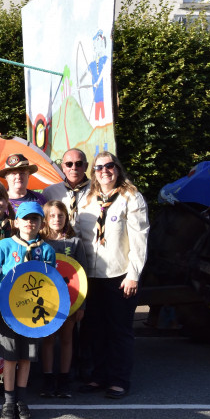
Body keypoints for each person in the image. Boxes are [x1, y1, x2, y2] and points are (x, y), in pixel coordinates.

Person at [0, 202, 56, 419]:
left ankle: (21, 399)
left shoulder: (46, 250)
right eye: (25, 218)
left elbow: (52, 283)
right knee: (9, 356)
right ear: (16, 222)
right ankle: (8, 401)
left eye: (35, 218)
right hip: (8, 309)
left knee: (26, 357)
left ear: (41, 223)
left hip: (33, 313)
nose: (30, 222)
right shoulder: (5, 246)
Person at [75, 152, 149, 400]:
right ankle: (98, 375)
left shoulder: (131, 197)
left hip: (120, 275)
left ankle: (119, 380)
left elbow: (140, 239)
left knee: (119, 330)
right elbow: (78, 235)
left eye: (109, 166)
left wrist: (133, 275)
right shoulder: (88, 198)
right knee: (94, 328)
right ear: (93, 172)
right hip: (92, 276)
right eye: (98, 168)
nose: (104, 171)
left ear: (117, 168)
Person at [38, 200, 83, 398]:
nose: (57, 219)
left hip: (71, 300)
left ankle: (64, 380)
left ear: (67, 218)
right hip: (46, 301)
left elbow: (83, 275)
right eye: (52, 215)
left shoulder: (75, 242)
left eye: (61, 215)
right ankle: (47, 379)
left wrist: (82, 305)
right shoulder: (39, 242)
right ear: (46, 219)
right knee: (48, 340)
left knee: (66, 339)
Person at [42, 148, 90, 227]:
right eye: (69, 164)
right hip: (60, 239)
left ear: (86, 166)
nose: (74, 168)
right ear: (63, 167)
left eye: (78, 163)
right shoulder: (49, 192)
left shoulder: (96, 190)